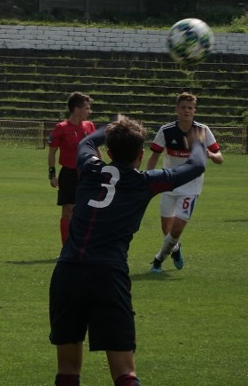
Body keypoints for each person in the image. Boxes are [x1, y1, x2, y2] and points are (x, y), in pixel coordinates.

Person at [49, 116, 207, 386]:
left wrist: (111, 126)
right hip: (109, 276)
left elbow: (87, 142)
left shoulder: (89, 167)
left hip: (67, 272)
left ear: (108, 152)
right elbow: (196, 166)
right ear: (141, 153)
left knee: (67, 370)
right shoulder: (145, 182)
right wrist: (198, 143)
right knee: (124, 372)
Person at [146, 91, 223, 273]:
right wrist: (147, 178)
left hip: (191, 186)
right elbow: (154, 156)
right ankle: (176, 248)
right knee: (167, 229)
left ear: (194, 110)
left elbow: (220, 157)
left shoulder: (202, 131)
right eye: (183, 108)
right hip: (169, 183)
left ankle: (157, 261)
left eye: (190, 108)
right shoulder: (166, 130)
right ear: (177, 110)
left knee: (177, 229)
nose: (186, 111)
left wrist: (210, 155)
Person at [47, 92, 95, 245]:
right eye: (86, 108)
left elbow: (94, 148)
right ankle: (66, 247)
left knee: (83, 210)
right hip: (68, 174)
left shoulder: (89, 126)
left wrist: (101, 167)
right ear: (76, 109)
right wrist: (52, 174)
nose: (89, 111)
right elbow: (52, 152)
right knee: (68, 209)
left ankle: (81, 244)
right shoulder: (61, 128)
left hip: (86, 173)